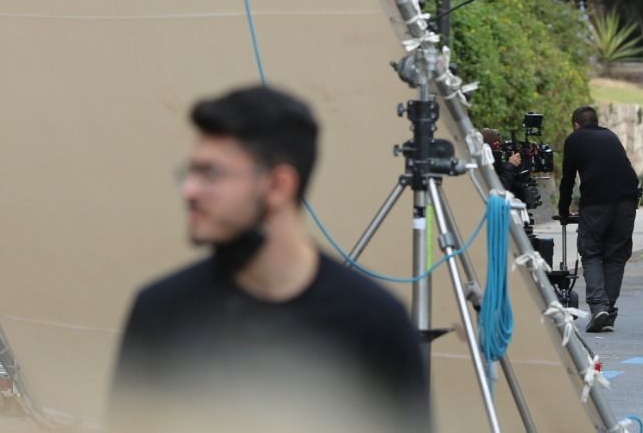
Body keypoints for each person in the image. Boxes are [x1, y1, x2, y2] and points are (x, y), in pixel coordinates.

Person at [110, 86, 427, 433]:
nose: (190, 191)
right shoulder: (160, 312)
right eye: (191, 172)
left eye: (211, 173)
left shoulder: (376, 324)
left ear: (278, 186)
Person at [557, 105, 641, 333]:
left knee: (591, 252)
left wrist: (563, 210)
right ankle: (608, 309)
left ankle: (599, 308)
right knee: (615, 256)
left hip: (596, 205)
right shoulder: (610, 136)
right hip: (626, 203)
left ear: (576, 125)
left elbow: (568, 179)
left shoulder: (574, 140)